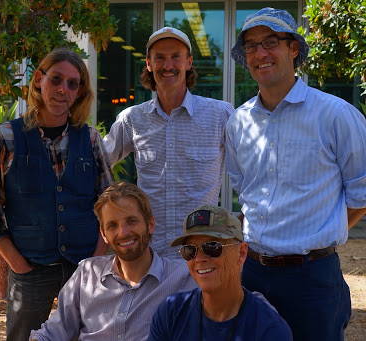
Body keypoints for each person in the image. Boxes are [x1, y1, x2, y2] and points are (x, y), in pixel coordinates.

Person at [226, 7, 366, 341]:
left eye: (270, 41)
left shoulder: (335, 115)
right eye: (251, 45)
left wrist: (317, 236)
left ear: (293, 49)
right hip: (252, 274)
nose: (260, 53)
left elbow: (362, 193)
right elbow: (246, 194)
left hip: (314, 280)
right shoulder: (238, 123)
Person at [0, 48, 114, 340]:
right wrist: (19, 265)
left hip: (82, 269)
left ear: (79, 93)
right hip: (30, 269)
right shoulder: (4, 137)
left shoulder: (89, 138)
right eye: (56, 79)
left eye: (72, 84)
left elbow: (109, 206)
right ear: (39, 79)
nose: (63, 89)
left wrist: (95, 262)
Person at [103, 27, 234, 258]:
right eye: (160, 58)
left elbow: (252, 174)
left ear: (189, 62)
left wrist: (241, 227)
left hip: (202, 253)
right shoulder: (132, 119)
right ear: (149, 64)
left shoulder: (220, 115)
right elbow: (98, 163)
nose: (168, 65)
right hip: (149, 255)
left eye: (176, 57)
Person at [29, 182, 198, 341]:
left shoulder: (185, 278)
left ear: (150, 224)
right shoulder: (87, 274)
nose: (123, 232)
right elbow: (51, 334)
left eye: (131, 221)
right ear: (103, 234)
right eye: (112, 226)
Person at [149, 205, 293, 340]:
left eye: (212, 247)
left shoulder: (268, 328)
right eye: (190, 250)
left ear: (241, 253)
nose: (199, 259)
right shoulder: (170, 314)